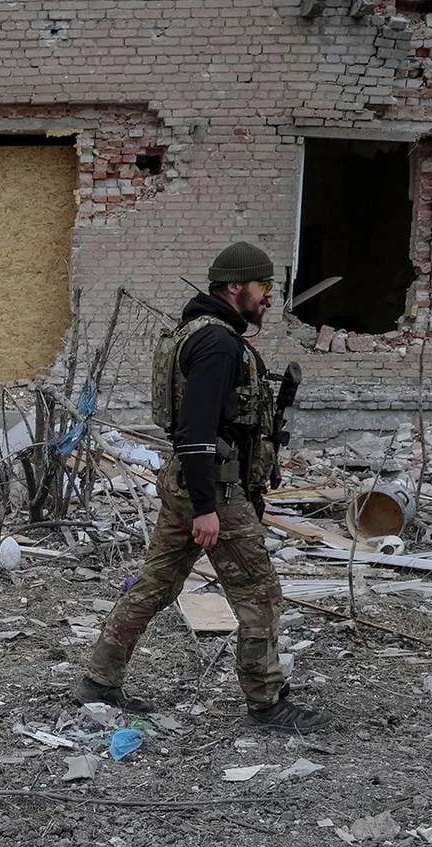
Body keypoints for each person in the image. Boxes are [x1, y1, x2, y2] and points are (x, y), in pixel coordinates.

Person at [74, 241, 332, 733]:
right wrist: (206, 507)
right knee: (259, 594)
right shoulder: (217, 343)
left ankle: (98, 680)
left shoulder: (200, 333)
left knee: (156, 585)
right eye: (263, 286)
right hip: (213, 489)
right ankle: (267, 702)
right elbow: (194, 432)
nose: (268, 296)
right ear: (235, 286)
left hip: (193, 484)